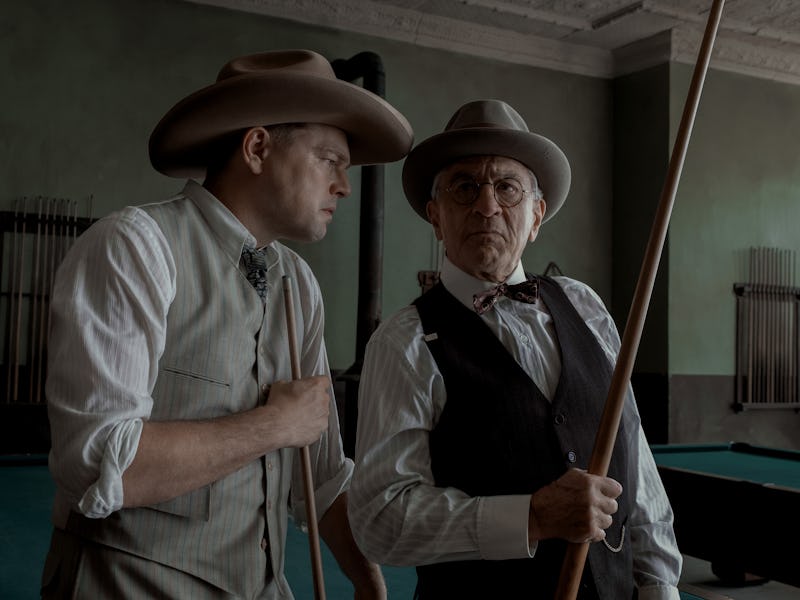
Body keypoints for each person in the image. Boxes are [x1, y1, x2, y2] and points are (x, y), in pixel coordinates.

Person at [40, 49, 413, 599]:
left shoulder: (299, 283)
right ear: (257, 148)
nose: (344, 186)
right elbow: (96, 461)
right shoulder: (134, 246)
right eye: (329, 160)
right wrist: (273, 426)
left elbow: (321, 473)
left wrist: (367, 579)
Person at [348, 99, 682, 599]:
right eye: (465, 187)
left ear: (536, 216)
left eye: (507, 187)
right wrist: (532, 517)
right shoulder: (404, 342)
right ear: (436, 217)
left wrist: (659, 587)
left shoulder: (584, 305)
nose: (487, 206)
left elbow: (635, 463)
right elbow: (380, 520)